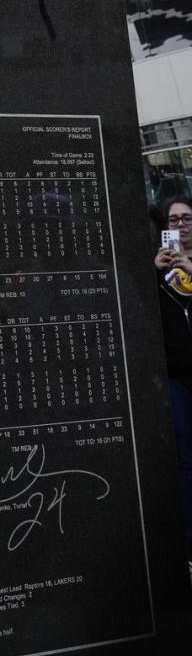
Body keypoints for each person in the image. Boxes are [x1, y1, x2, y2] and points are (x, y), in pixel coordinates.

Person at [154, 197, 192, 565]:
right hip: (178, 376)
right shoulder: (159, 266)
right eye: (173, 219)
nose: (179, 225)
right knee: (185, 457)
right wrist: (155, 271)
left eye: (186, 219)